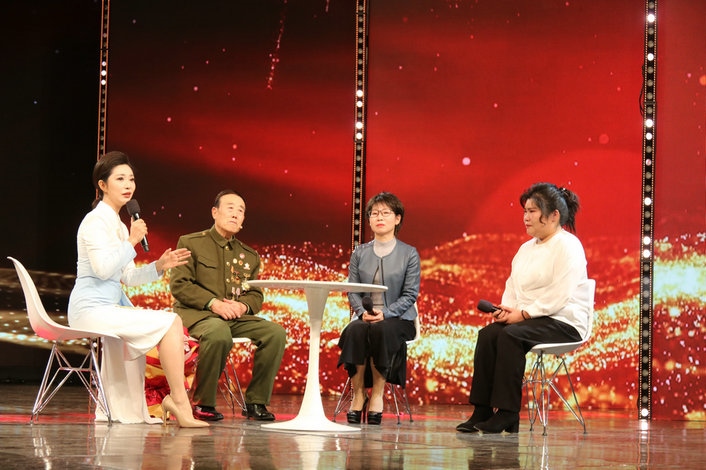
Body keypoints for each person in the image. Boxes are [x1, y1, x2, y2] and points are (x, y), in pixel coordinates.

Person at [67, 151, 208, 427]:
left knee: (168, 323)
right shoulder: (95, 222)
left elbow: (128, 277)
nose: (128, 185)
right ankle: (179, 402)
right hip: (89, 309)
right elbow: (103, 270)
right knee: (171, 322)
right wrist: (131, 240)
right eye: (120, 179)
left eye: (131, 179)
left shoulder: (120, 226)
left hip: (109, 308)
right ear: (103, 185)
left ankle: (166, 403)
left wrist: (159, 265)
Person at [456, 182, 592, 434]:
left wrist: (524, 314)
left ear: (554, 215)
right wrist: (508, 311)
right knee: (488, 335)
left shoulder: (568, 245)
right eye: (525, 211)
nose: (526, 217)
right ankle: (482, 409)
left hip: (564, 321)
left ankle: (508, 413)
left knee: (510, 336)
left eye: (532, 211)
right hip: (531, 320)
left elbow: (560, 294)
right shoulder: (525, 248)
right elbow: (513, 286)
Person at [170, 190, 286, 421]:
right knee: (218, 332)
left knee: (275, 333)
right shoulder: (191, 242)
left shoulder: (249, 255)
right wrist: (213, 303)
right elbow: (180, 285)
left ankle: (256, 402)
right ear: (215, 212)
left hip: (233, 317)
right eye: (230, 208)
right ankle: (203, 403)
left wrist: (242, 307)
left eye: (240, 211)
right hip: (198, 315)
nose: (235, 214)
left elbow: (255, 294)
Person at [337, 192, 420, 425]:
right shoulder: (359, 253)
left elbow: (410, 294)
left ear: (397, 218)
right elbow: (352, 290)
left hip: (398, 319)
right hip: (365, 317)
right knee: (355, 330)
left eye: (385, 213)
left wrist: (387, 313)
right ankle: (358, 394)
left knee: (382, 329)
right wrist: (361, 312)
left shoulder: (409, 254)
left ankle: (377, 395)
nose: (379, 218)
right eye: (374, 214)